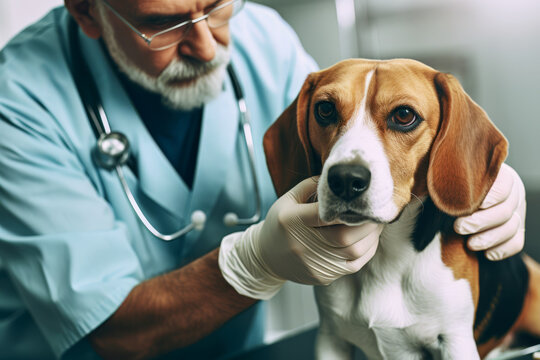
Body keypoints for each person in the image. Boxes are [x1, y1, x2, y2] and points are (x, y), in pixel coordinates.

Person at [0, 0, 526, 359]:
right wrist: (251, 264)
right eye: (163, 25)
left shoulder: (262, 34)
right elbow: (109, 332)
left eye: (216, 5)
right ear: (89, 11)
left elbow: (355, 128)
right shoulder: (17, 99)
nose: (207, 45)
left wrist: (484, 176)